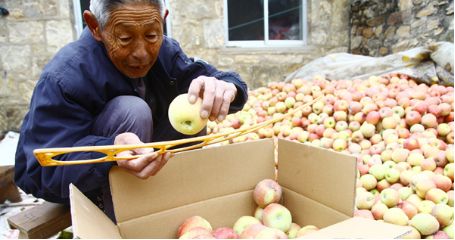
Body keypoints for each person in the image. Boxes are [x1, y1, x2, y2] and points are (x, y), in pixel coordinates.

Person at [14, 0, 248, 222]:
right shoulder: (65, 77)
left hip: (148, 170)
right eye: (125, 38)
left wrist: (227, 87)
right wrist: (109, 153)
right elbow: (37, 174)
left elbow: (214, 78)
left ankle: (181, 205)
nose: (142, 53)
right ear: (95, 26)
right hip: (91, 181)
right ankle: (124, 222)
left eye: (151, 35)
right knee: (131, 111)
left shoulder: (165, 51)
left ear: (163, 20)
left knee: (197, 100)